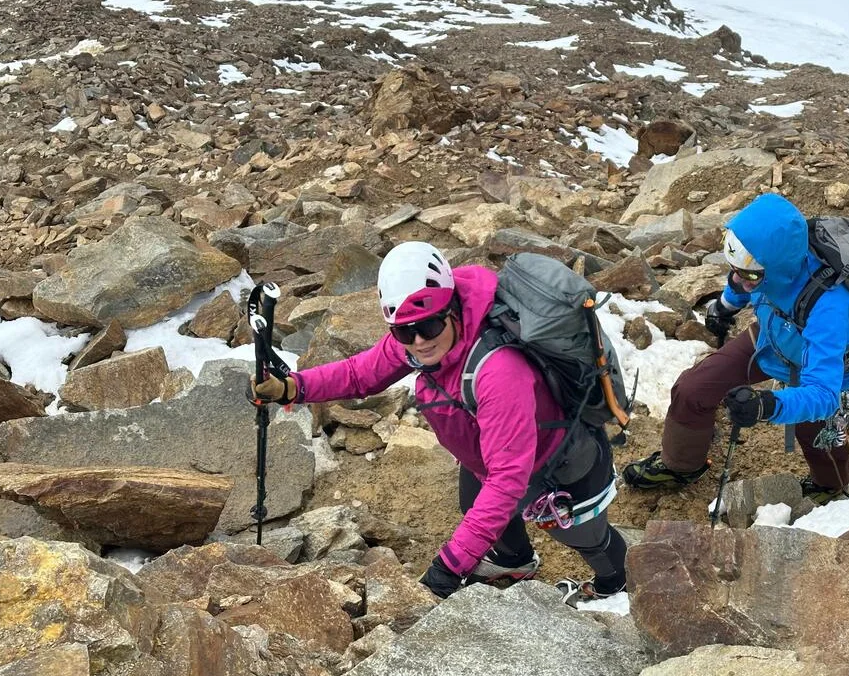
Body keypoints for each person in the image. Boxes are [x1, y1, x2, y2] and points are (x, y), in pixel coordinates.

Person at [249, 242, 628, 602]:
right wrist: (291, 387)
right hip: (489, 453)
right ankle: (514, 561)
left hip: (559, 465)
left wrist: (448, 567)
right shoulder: (423, 330)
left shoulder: (498, 371)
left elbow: (507, 481)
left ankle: (616, 584)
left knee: (586, 537)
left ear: (452, 308)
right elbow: (359, 374)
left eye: (428, 327)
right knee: (473, 503)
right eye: (403, 331)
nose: (418, 341)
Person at [622, 193, 849, 504]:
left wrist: (767, 405)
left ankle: (830, 485)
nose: (738, 277)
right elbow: (740, 282)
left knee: (816, 434)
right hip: (771, 339)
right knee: (692, 389)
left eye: (750, 274)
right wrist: (724, 306)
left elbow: (823, 394)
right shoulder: (758, 267)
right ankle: (680, 466)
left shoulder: (830, 306)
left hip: (818, 364)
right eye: (733, 266)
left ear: (777, 268)